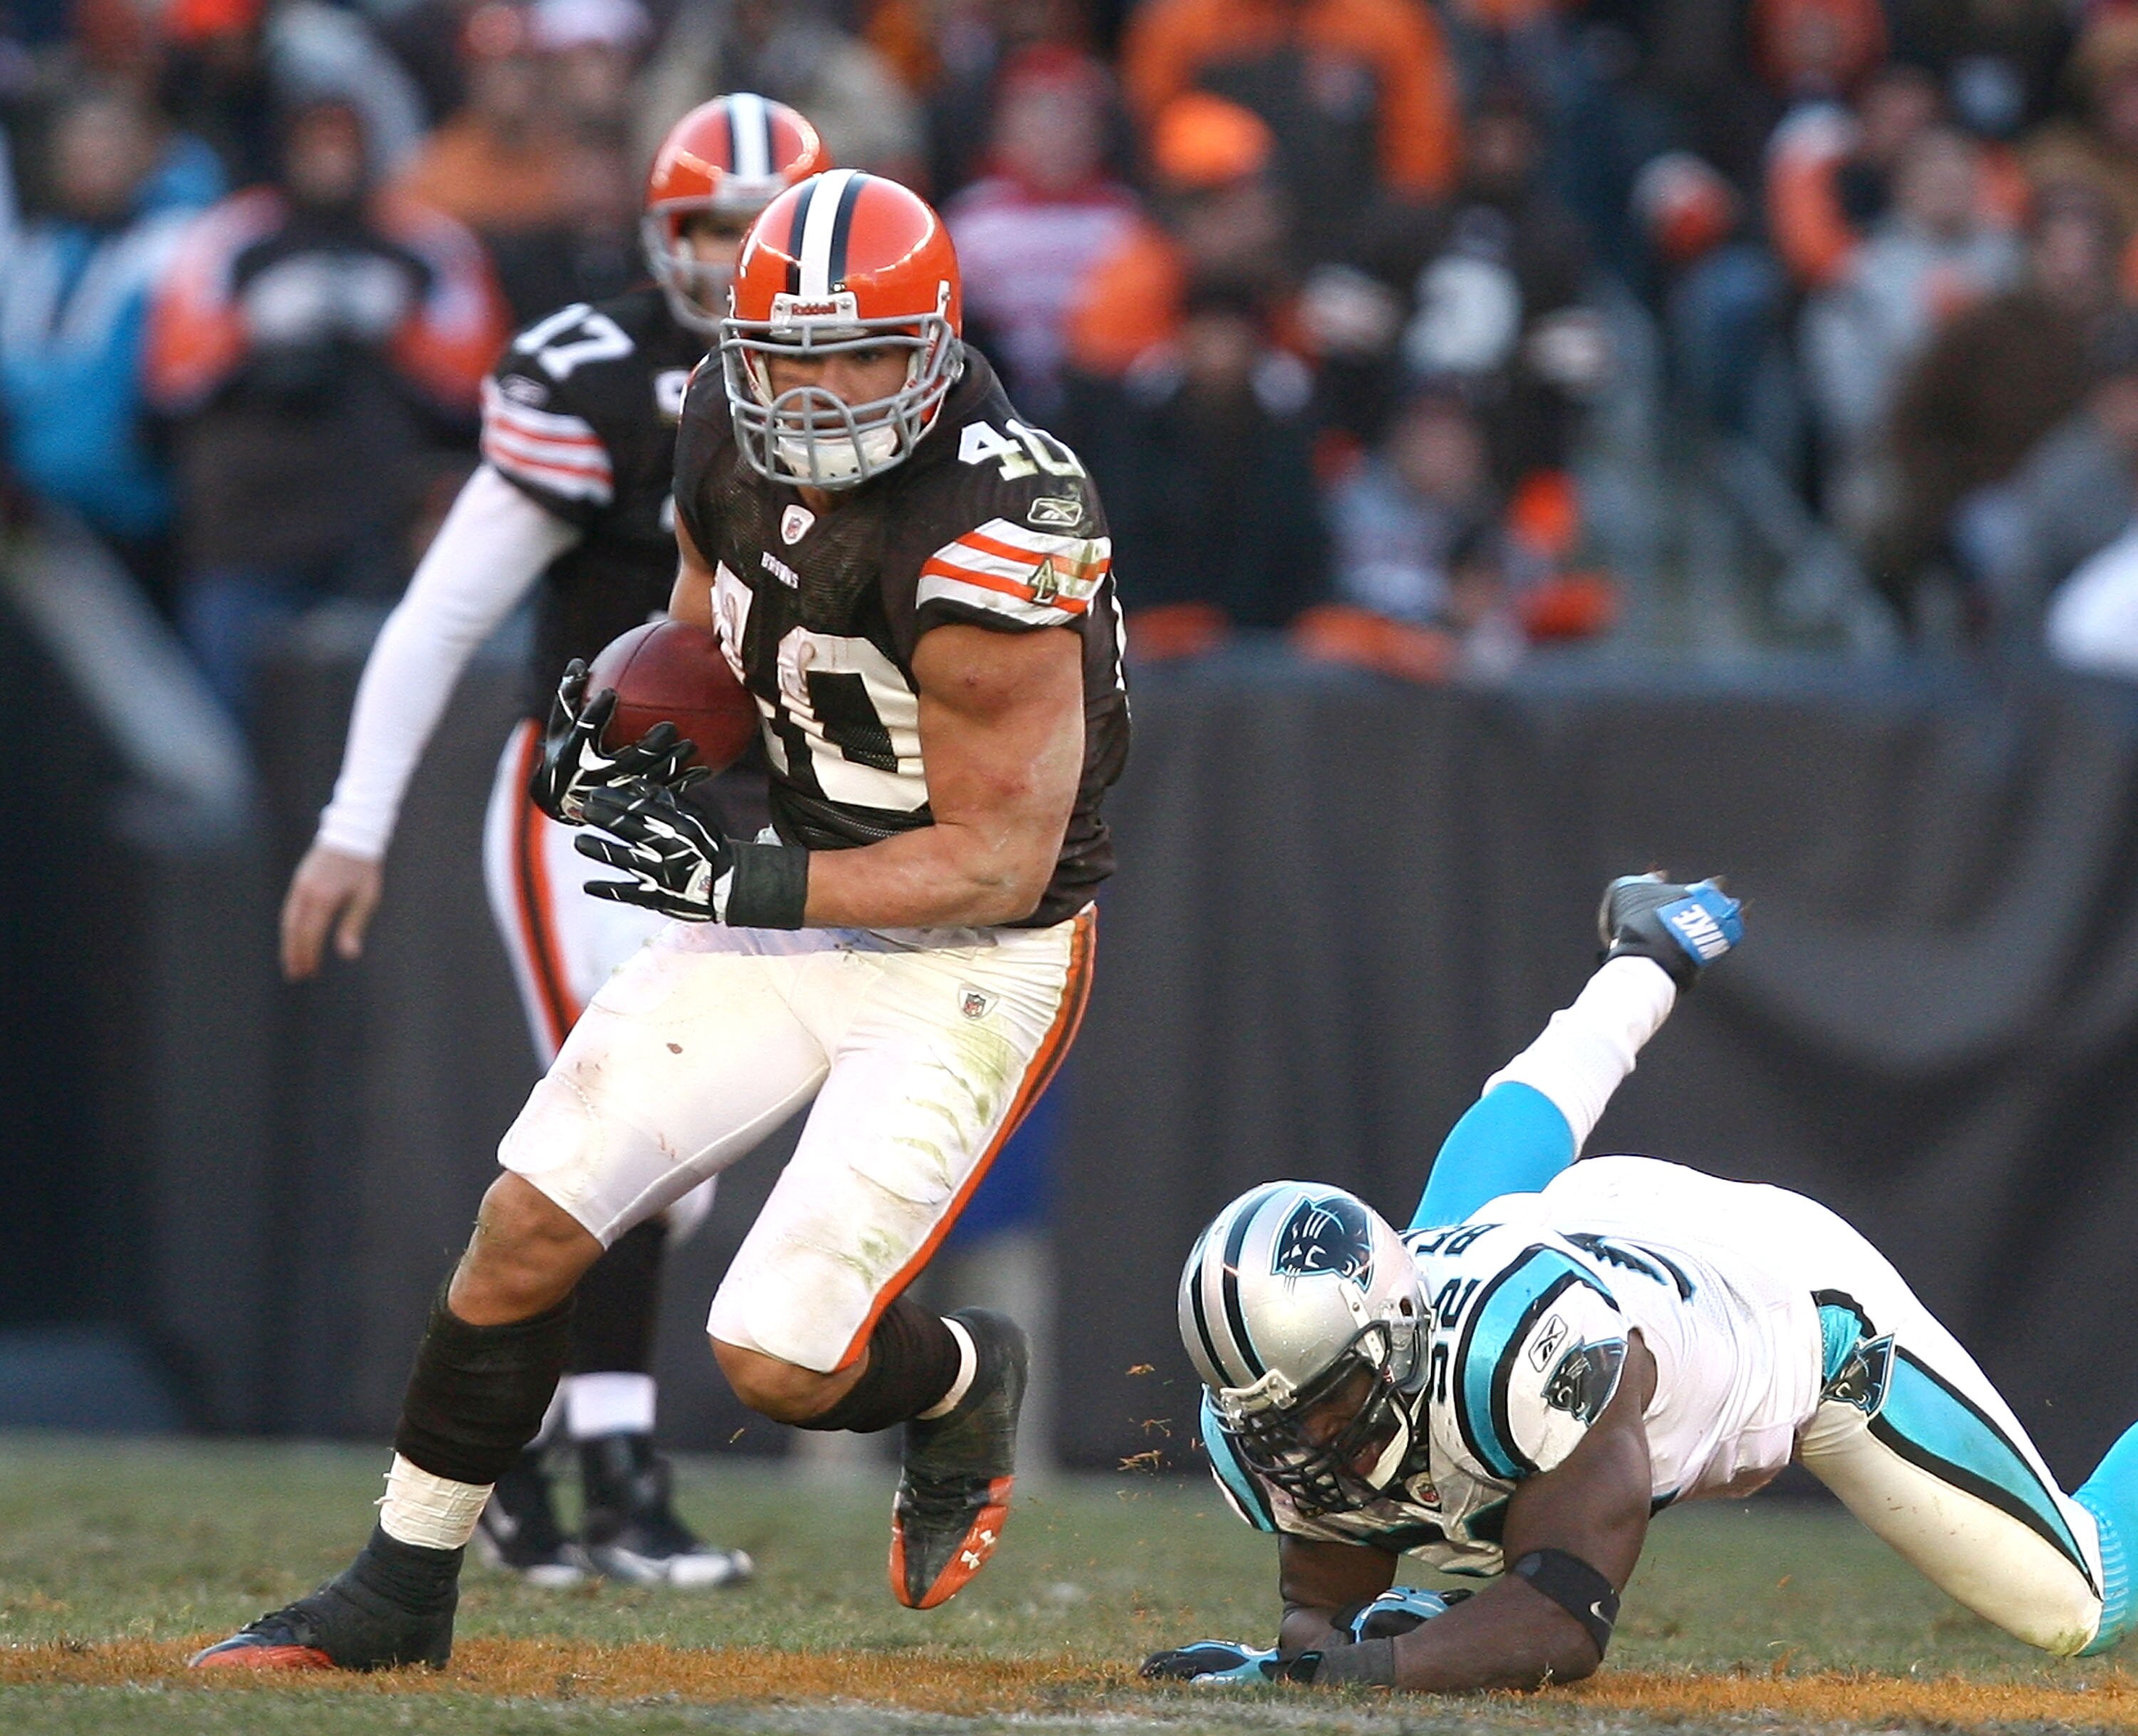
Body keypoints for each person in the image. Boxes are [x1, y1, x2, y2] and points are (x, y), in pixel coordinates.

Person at [194, 167, 1130, 1672]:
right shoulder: (712, 415)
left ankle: (957, 1376)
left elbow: (997, 863)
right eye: (790, 357)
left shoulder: (1001, 517)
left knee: (775, 1356)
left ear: (941, 345)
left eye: (864, 354)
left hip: (972, 957)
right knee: (527, 1222)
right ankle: (396, 1592)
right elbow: (708, 619)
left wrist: (748, 880)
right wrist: (632, 715)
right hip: (800, 898)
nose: (820, 395)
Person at [276, 95, 828, 1589]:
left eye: (764, 221)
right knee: (627, 1134)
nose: (733, 252)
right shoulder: (601, 376)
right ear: (663, 232)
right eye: (711, 222)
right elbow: (448, 608)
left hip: (746, 824)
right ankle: (611, 1475)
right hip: (585, 807)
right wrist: (352, 825)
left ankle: (528, 1466)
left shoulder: (860, 378)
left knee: (684, 1166)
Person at [1145, 872, 2138, 1690]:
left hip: (1793, 1300)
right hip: (1570, 1224)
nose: (1305, 1444)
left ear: (1395, 1337)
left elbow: (1560, 1623)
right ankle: (1650, 954)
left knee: (2079, 1601)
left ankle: (1651, 954)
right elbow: (1324, 1602)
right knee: (1461, 1217)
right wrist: (1303, 1650)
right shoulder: (1302, 1382)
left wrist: (1362, 1667)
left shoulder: (1535, 1353)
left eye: (1329, 1404)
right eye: (1284, 1418)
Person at [143, 93, 505, 718]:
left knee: (382, 720)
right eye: (314, 143)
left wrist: (401, 329)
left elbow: (484, 382)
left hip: (380, 532)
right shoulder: (228, 237)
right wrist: (251, 328)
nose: (329, 160)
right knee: (235, 725)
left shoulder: (425, 240)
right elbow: (171, 378)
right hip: (248, 533)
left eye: (343, 144)